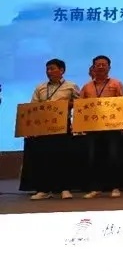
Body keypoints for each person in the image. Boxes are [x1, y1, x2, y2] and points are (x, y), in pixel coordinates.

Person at [27, 59, 81, 200]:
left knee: (63, 157)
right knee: (44, 158)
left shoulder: (71, 86)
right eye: (47, 69)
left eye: (52, 68)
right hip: (43, 127)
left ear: (61, 70)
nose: (49, 71)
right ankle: (44, 190)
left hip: (62, 125)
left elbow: (80, 103)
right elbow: (33, 106)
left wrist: (66, 105)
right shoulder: (40, 87)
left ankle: (65, 188)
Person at [81, 55, 123, 199]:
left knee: (113, 156)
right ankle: (95, 188)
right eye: (98, 65)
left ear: (109, 67)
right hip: (93, 128)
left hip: (112, 127)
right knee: (94, 157)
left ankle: (115, 187)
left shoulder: (116, 84)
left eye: (103, 64)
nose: (100, 67)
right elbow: (81, 107)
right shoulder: (86, 87)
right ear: (93, 68)